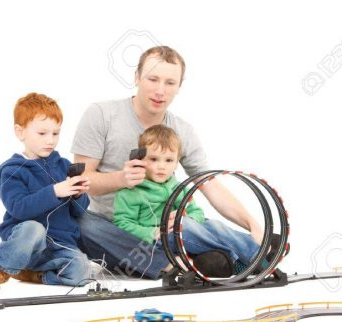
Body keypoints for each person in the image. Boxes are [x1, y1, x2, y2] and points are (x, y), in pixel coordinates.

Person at [72, 46, 264, 279]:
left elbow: (208, 184)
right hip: (116, 230)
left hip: (169, 229)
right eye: (153, 79)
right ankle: (175, 264)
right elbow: (81, 181)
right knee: (79, 222)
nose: (160, 90)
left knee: (193, 225)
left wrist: (252, 225)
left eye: (170, 83)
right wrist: (120, 179)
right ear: (137, 77)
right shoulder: (101, 114)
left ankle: (222, 257)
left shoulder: (182, 130)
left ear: (179, 86)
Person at [0, 93, 92, 290]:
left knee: (82, 271)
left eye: (55, 133)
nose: (51, 141)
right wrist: (55, 191)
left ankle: (37, 275)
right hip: (25, 244)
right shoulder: (12, 170)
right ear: (20, 132)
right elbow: (18, 208)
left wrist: (78, 195)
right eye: (42, 133)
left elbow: (80, 212)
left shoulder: (63, 165)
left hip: (57, 247)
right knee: (33, 228)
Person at [113, 125, 260, 275]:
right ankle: (237, 260)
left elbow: (196, 212)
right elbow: (122, 224)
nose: (161, 166)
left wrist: (184, 218)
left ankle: (256, 253)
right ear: (140, 159)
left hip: (186, 231)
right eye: (154, 159)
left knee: (213, 224)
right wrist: (152, 232)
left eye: (169, 160)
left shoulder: (178, 187)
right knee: (185, 228)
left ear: (177, 163)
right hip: (158, 241)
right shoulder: (130, 191)